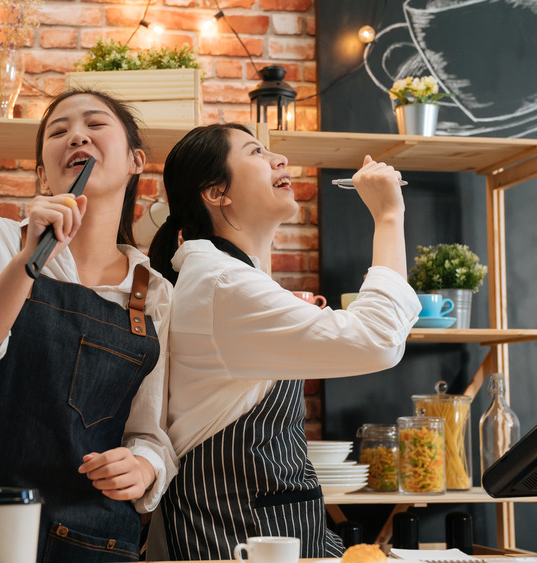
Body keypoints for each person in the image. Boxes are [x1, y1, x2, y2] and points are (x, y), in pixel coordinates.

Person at [146, 123, 421, 560]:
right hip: (235, 538)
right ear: (217, 192)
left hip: (282, 527)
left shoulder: (230, 277)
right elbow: (379, 339)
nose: (279, 160)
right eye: (256, 151)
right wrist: (389, 215)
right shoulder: (224, 282)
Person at [0, 90, 175, 562]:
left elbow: (150, 431)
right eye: (58, 131)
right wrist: (28, 261)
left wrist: (143, 465)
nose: (76, 135)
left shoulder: (153, 291)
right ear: (42, 174)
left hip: (91, 541)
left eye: (95, 125)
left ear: (135, 161)